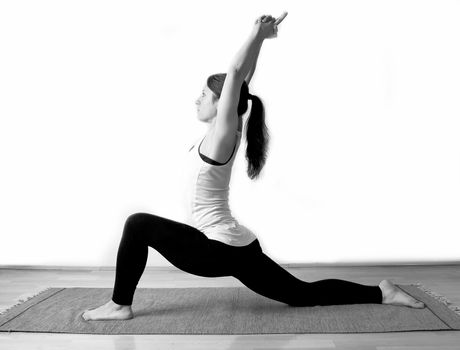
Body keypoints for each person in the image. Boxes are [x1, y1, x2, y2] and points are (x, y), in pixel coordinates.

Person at [82, 12, 425, 321]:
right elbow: (241, 78)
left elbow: (234, 75)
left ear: (222, 104)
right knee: (301, 295)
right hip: (231, 245)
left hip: (218, 250)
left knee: (137, 223)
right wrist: (261, 43)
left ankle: (119, 304)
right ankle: (382, 292)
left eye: (204, 94)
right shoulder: (218, 133)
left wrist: (258, 35)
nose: (197, 98)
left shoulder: (222, 135)